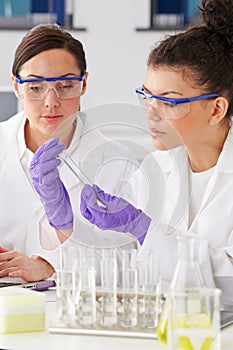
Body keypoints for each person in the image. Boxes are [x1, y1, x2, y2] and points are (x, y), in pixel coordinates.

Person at [80, 0, 233, 306]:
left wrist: (145, 229)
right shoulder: (154, 168)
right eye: (147, 96)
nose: (151, 113)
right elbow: (122, 264)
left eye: (169, 101)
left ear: (216, 108)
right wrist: (66, 223)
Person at [0, 24, 138, 282]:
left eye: (65, 86)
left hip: (78, 312)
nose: (51, 101)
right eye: (35, 87)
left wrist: (52, 267)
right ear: (16, 87)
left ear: (83, 83)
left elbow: (130, 262)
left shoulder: (117, 162)